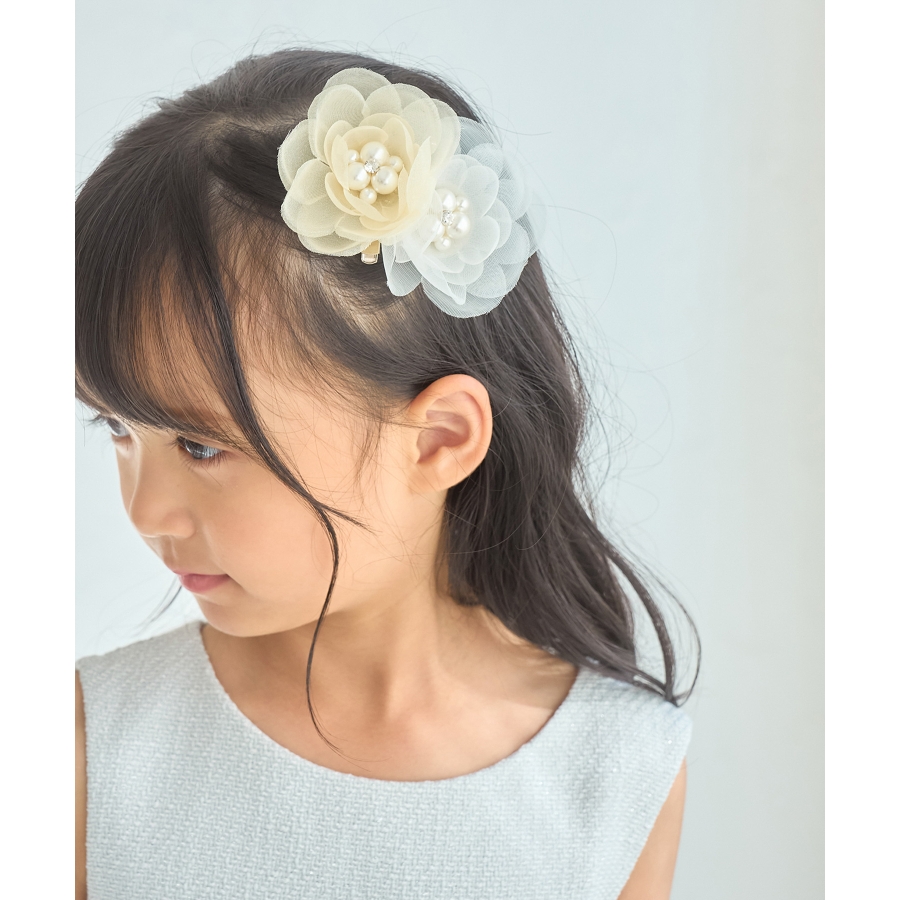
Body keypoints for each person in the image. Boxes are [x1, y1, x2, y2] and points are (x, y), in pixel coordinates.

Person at [75, 48, 698, 900]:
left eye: (201, 446)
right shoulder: (91, 749)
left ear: (439, 439)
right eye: (116, 427)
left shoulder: (618, 772)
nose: (147, 511)